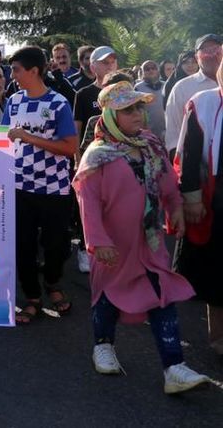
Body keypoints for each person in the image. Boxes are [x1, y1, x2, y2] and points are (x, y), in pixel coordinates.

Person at [74, 82, 209, 393]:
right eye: (128, 110)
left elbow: (167, 180)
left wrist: (175, 208)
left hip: (149, 241)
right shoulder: (97, 155)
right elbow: (87, 202)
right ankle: (103, 345)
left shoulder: (150, 144)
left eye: (139, 107)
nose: (137, 114)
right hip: (114, 246)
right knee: (107, 297)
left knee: (161, 295)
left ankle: (174, 368)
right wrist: (98, 241)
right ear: (110, 116)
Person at [2, 46, 78, 323]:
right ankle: (32, 298)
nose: (12, 75)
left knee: (56, 244)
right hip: (19, 186)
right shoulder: (13, 101)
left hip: (54, 187)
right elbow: (2, 137)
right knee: (23, 245)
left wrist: (30, 138)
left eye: (16, 70)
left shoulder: (58, 103)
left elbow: (69, 147)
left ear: (34, 71)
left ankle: (53, 283)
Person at [174, 58, 223, 359]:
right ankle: (219, 338)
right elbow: (188, 155)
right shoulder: (203, 102)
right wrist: (191, 198)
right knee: (218, 272)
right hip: (216, 199)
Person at [165, 34, 221, 155]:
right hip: (197, 163)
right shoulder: (182, 88)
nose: (212, 55)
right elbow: (173, 134)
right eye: (206, 51)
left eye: (216, 49)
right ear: (197, 57)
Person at [73, 45, 119, 145]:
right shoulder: (83, 94)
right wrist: (77, 154)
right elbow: (77, 130)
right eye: (105, 62)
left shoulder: (124, 90)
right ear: (93, 67)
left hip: (122, 151)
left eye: (113, 62)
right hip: (94, 151)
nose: (110, 66)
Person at [134, 60, 167, 141]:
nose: (151, 70)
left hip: (165, 130)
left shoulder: (166, 85)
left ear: (158, 70)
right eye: (147, 69)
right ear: (142, 72)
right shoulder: (138, 88)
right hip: (146, 133)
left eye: (153, 68)